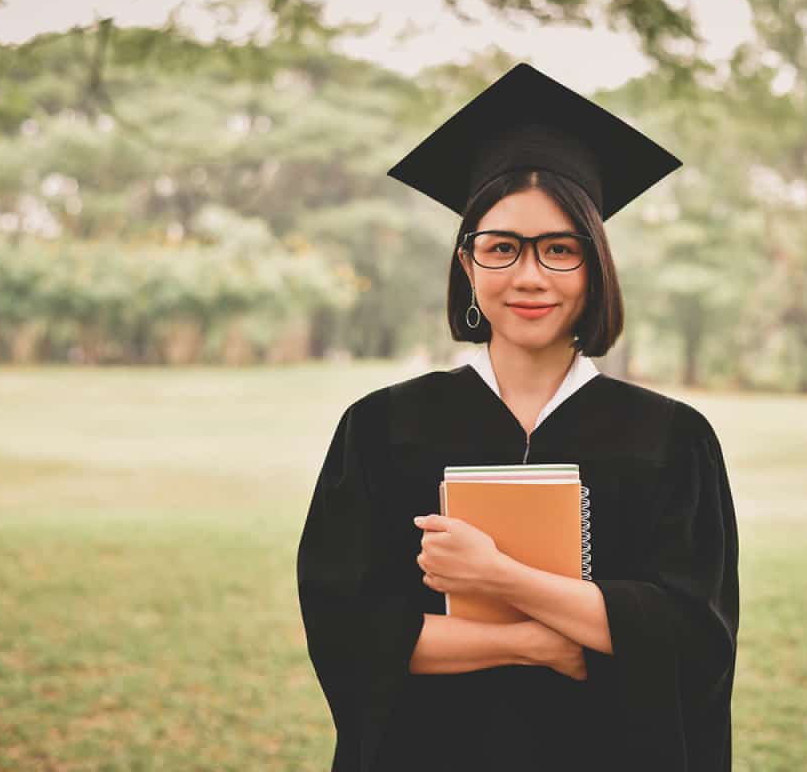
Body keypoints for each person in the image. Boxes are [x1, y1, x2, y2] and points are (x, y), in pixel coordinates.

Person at [297, 63, 739, 772]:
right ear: (467, 266)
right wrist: (533, 642)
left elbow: (693, 639)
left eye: (559, 249)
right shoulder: (381, 428)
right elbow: (349, 634)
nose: (529, 276)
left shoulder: (671, 439)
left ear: (595, 267)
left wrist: (499, 578)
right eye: (501, 247)